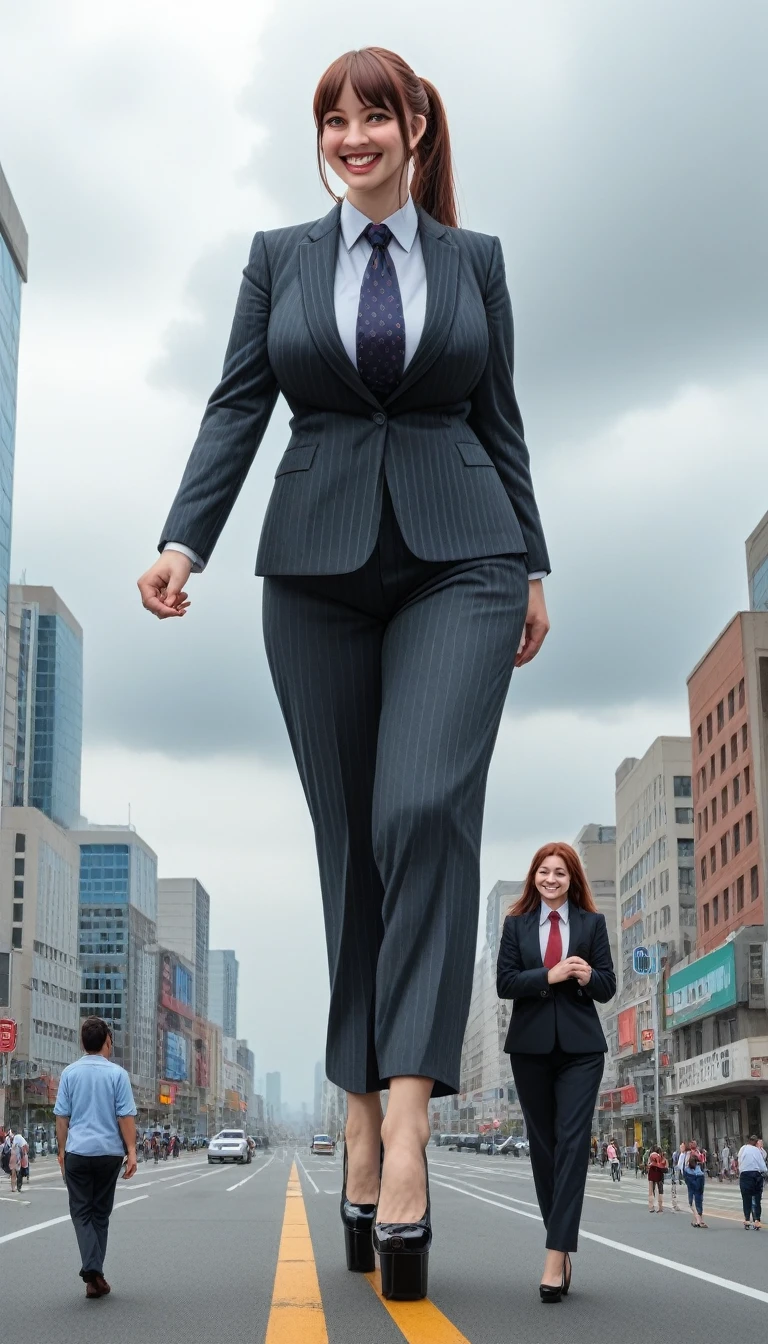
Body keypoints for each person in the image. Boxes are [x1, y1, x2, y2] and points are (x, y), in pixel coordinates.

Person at [138, 45, 550, 1304]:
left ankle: (411, 1128)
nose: (354, 134)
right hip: (312, 571)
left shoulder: (473, 263)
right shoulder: (282, 258)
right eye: (334, 118)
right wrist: (181, 537)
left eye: (377, 114)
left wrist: (533, 562)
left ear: (418, 128)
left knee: (420, 813)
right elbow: (236, 407)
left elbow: (501, 417)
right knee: (348, 846)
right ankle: (358, 1111)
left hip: (464, 556)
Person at [496, 842, 616, 1302]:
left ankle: (552, 1254)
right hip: (529, 1049)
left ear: (572, 880)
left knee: (571, 1142)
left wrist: (585, 975)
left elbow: (607, 986)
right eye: (544, 872)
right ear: (534, 877)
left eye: (560, 873)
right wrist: (550, 974)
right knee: (543, 1149)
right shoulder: (516, 926)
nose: (551, 879)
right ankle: (563, 1246)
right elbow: (506, 983)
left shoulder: (591, 924)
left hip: (582, 1050)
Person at [54, 1016, 138, 1298]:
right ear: (107, 1042)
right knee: (100, 1213)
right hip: (108, 1154)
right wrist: (132, 1151)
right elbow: (125, 1116)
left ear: (82, 1043)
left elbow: (62, 1117)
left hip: (77, 1152)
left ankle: (93, 1271)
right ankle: (94, 1276)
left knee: (81, 1212)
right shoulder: (117, 1075)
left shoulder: (69, 1074)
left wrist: (62, 1151)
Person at [737, 1134, 767, 1229]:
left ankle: (747, 1220)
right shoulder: (757, 1150)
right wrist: (765, 1171)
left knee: (746, 1198)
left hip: (745, 1175)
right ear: (756, 1142)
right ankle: (757, 1220)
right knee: (757, 1198)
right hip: (756, 1175)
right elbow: (762, 1165)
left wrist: (741, 1171)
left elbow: (739, 1160)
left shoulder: (743, 1149)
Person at [683, 1141, 708, 1228]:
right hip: (699, 1186)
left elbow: (685, 1177)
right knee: (699, 1201)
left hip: (691, 1187)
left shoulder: (687, 1170)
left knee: (691, 1203)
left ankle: (698, 1220)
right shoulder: (700, 1172)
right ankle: (698, 1220)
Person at [647, 1146, 667, 1212]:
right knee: (660, 1191)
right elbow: (665, 1167)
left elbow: (648, 1165)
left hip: (651, 1175)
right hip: (659, 1175)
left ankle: (651, 1207)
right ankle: (660, 1207)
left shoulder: (651, 1157)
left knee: (651, 1191)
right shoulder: (662, 1158)